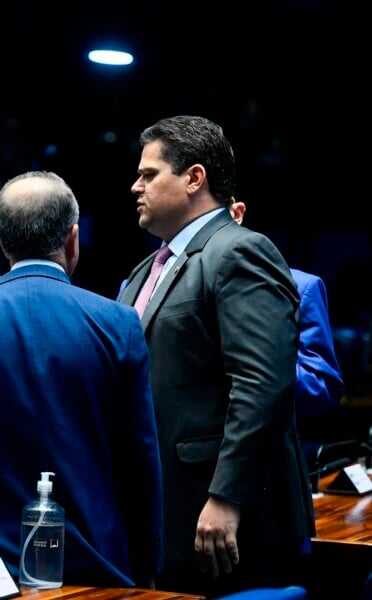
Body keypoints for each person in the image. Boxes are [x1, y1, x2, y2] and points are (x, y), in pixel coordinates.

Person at [0, 171, 162, 590]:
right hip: (97, 563)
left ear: (1, 240)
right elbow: (141, 463)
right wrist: (146, 569)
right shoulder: (119, 324)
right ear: (73, 239)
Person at [118, 115, 313, 596]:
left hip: (227, 520)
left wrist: (227, 496)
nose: (134, 186)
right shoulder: (149, 267)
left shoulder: (241, 251)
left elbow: (263, 384)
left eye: (149, 175)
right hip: (164, 513)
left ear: (194, 178)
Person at [228, 199, 344, 417]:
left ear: (236, 213)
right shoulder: (175, 285)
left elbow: (322, 389)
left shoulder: (300, 287)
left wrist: (253, 365)